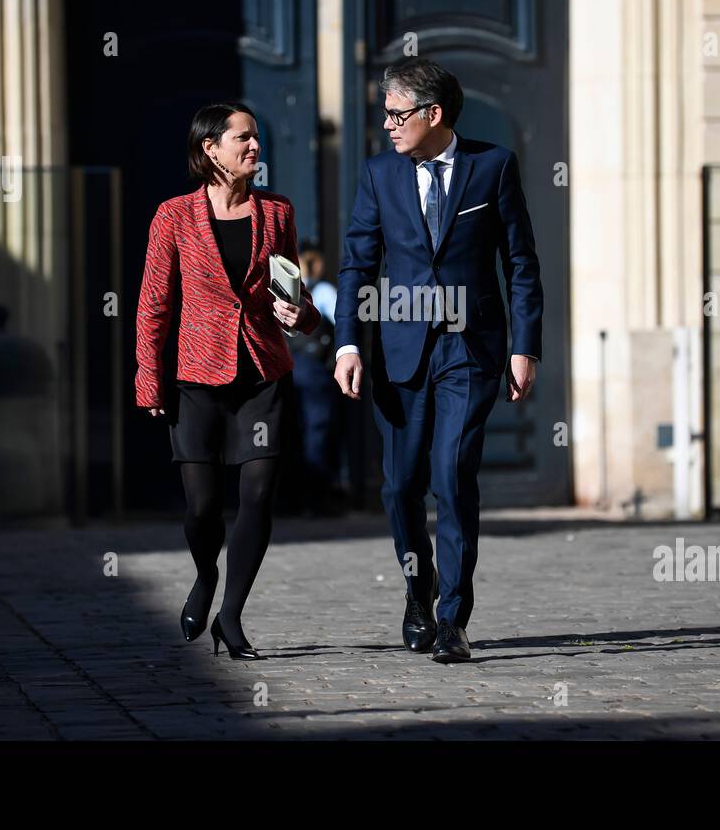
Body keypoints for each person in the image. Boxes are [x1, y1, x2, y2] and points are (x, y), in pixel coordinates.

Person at [333, 58, 543, 663]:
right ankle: (416, 587)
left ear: (434, 114)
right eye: (386, 114)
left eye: (399, 114)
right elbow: (356, 264)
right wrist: (348, 343)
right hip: (399, 351)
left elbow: (521, 263)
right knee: (400, 487)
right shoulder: (378, 174)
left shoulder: (493, 166)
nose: (388, 125)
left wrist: (523, 346)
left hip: (470, 349)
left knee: (452, 478)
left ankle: (452, 616)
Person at [135, 101, 320, 660]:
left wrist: (303, 317)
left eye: (257, 137)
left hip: (263, 374)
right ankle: (204, 575)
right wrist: (149, 378)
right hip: (196, 377)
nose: (255, 147)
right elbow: (153, 306)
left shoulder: (278, 212)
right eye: (243, 138)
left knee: (259, 495)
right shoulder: (173, 216)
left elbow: (297, 295)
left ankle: (232, 615)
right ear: (210, 149)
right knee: (201, 509)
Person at [285, 240, 342, 514]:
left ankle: (296, 499)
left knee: (295, 432)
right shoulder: (322, 291)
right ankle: (315, 499)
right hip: (313, 372)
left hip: (287, 369)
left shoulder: (283, 291)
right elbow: (345, 319)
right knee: (316, 432)